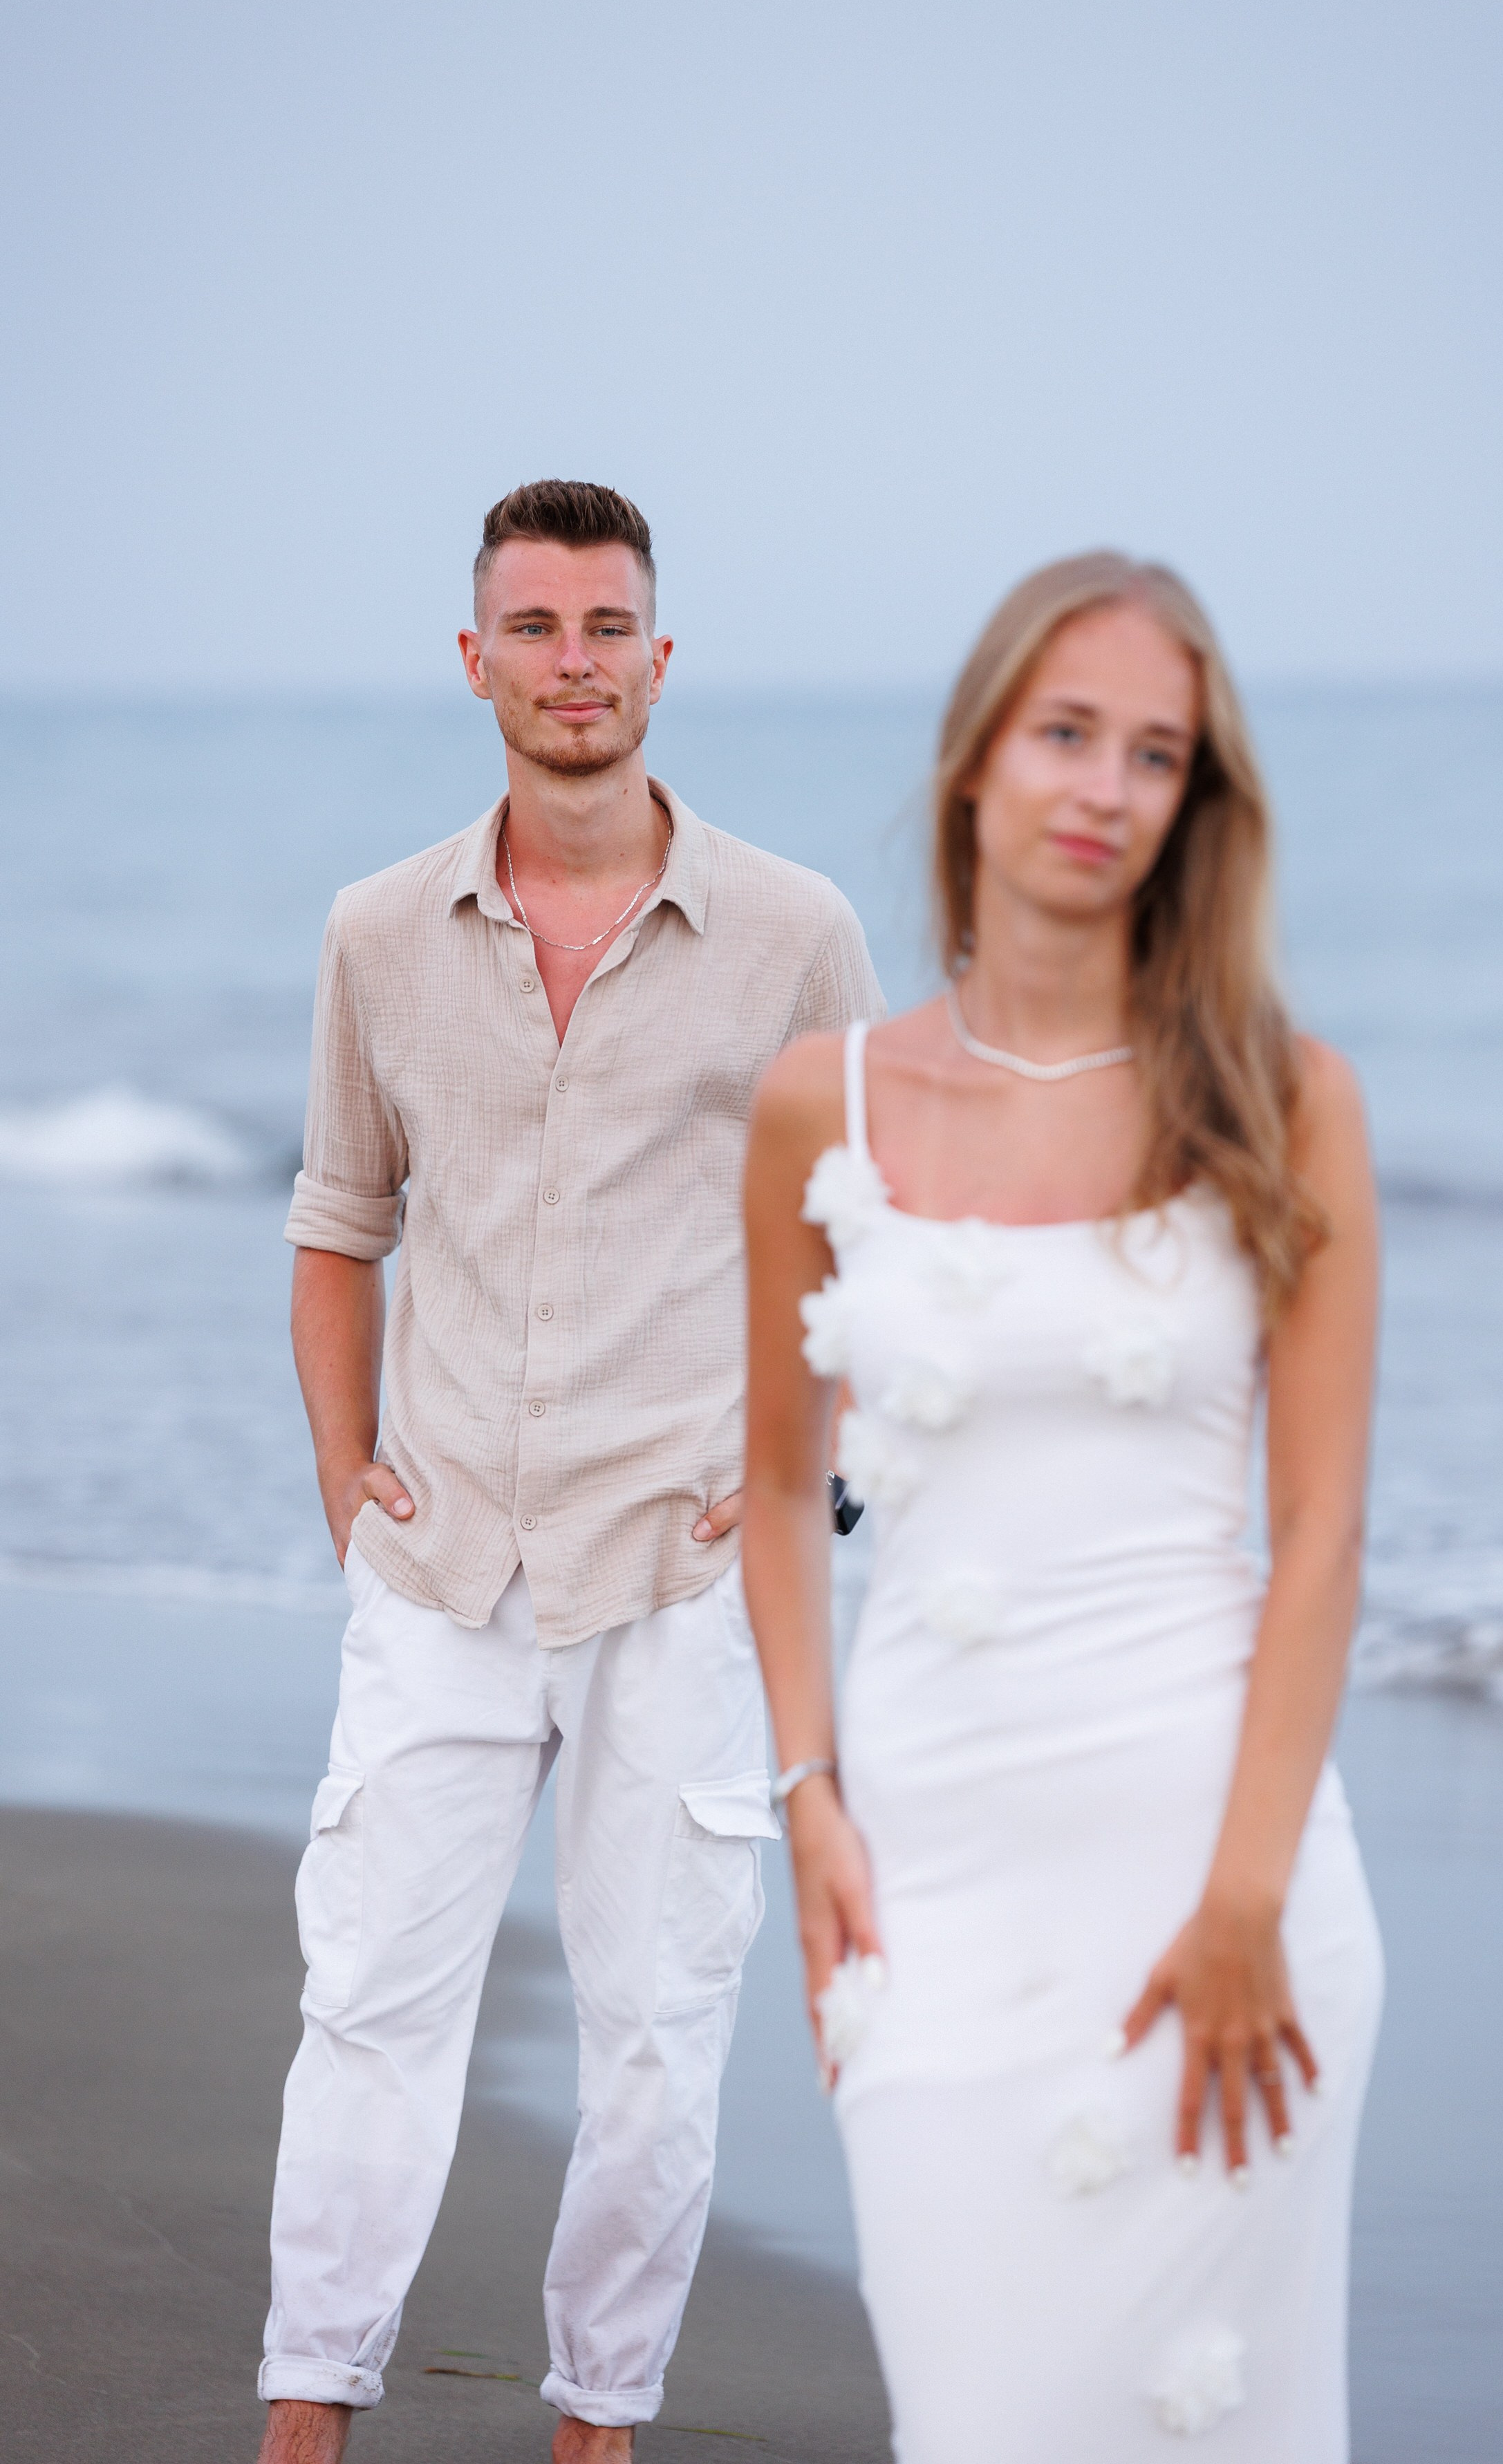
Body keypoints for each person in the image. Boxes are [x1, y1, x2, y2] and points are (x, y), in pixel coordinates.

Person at [257, 478, 883, 2464]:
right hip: (438, 1567)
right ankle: (303, 2419)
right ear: (475, 662)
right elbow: (338, 1225)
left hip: (675, 1571)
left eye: (606, 626)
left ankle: (599, 2430)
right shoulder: (377, 930)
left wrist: (790, 1481)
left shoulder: (797, 934)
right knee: (366, 2010)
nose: (573, 663)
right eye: (533, 628)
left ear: (660, 656)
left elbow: (867, 1242)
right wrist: (347, 1476)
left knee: (655, 2043)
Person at [742, 552, 1385, 2459]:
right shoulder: (816, 1102)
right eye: (1068, 734)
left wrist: (1248, 1901)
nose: (1107, 788)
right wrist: (807, 1801)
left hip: (1225, 1902)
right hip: (928, 1902)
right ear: (975, 761)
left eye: (1159, 755)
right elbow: (775, 1480)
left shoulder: (1284, 1098)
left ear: (1200, 805)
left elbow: (1327, 1536)